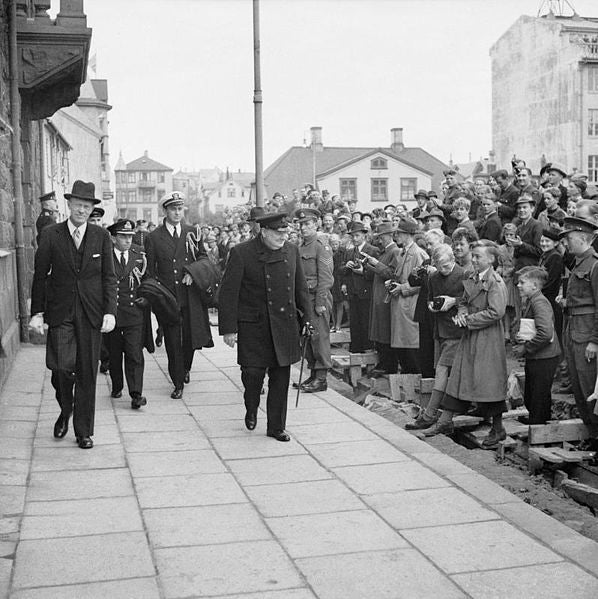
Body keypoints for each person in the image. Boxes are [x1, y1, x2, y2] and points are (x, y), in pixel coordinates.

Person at [29, 180, 117, 449]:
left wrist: (110, 312)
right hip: (61, 311)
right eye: (78, 204)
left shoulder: (101, 237)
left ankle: (83, 431)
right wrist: (37, 313)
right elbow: (41, 276)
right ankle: (65, 407)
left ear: (92, 209)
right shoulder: (51, 235)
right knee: (60, 368)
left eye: (87, 206)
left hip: (91, 314)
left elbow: (109, 278)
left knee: (87, 372)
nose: (82, 210)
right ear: (68, 205)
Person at [218, 211, 313, 442]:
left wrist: (307, 319)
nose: (283, 237)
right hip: (254, 325)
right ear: (264, 231)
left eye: (285, 232)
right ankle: (251, 406)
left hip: (284, 324)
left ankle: (276, 426)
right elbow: (229, 293)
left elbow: (300, 289)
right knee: (252, 374)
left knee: (280, 377)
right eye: (278, 233)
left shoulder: (291, 251)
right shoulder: (241, 253)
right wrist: (229, 328)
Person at [424, 241, 508, 449]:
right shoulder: (472, 277)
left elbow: (497, 312)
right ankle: (444, 422)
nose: (474, 259)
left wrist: (468, 319)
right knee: (459, 377)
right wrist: (462, 313)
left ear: (490, 259)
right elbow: (463, 300)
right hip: (470, 336)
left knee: (488, 382)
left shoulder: (495, 282)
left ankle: (498, 428)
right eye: (474, 256)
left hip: (487, 338)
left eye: (478, 256)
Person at [145, 191, 213, 399]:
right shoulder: (154, 237)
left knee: (191, 339)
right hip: (168, 298)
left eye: (180, 208)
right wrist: (156, 296)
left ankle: (185, 369)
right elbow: (150, 271)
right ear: (165, 211)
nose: (177, 213)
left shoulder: (192, 232)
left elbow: (203, 258)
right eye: (173, 209)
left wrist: (193, 273)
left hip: (190, 296)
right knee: (173, 341)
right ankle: (177, 382)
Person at [406, 244, 467, 430]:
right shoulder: (433, 277)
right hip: (439, 331)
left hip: (456, 332)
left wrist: (453, 302)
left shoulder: (463, 275)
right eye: (440, 268)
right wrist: (433, 306)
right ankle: (441, 416)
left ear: (454, 261)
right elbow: (429, 299)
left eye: (447, 267)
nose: (443, 270)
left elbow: (471, 301)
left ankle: (430, 414)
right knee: (447, 373)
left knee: (442, 372)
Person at [560, 216, 598, 450]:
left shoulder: (594, 265)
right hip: (574, 331)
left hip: (587, 337)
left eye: (570, 238)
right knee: (578, 388)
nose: (566, 243)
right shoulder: (578, 264)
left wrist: (595, 341)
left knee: (589, 389)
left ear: (583, 238)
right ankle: (593, 437)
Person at [105, 219, 150, 410]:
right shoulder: (105, 255)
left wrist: (147, 299)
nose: (127, 240)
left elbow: (148, 279)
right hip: (112, 313)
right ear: (114, 237)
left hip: (134, 313)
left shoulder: (139, 254)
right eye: (123, 236)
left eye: (130, 236)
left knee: (134, 353)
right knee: (114, 354)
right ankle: (117, 385)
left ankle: (136, 394)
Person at [512, 266, 561, 425]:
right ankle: (538, 429)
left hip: (544, 357)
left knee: (538, 398)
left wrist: (526, 348)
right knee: (534, 396)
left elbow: (546, 333)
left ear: (534, 285)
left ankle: (538, 432)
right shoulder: (533, 300)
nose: (518, 285)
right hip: (539, 356)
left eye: (522, 282)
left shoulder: (539, 302)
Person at [293, 208, 334, 392]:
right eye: (301, 224)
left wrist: (319, 303)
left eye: (307, 224)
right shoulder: (300, 246)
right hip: (304, 299)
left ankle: (322, 378)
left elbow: (326, 278)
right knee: (307, 337)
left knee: (319, 338)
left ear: (316, 224)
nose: (303, 228)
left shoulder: (321, 246)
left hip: (317, 298)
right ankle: (313, 374)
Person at [388, 218, 428, 373]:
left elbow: (422, 282)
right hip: (402, 305)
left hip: (410, 304)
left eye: (399, 233)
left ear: (407, 234)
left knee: (411, 346)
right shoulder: (404, 252)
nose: (396, 236)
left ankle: (415, 381)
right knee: (403, 347)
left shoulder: (418, 253)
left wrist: (402, 288)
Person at [363, 221, 401, 374]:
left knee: (385, 332)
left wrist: (376, 263)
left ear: (390, 235)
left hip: (385, 298)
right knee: (379, 332)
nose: (379, 240)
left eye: (382, 237)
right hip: (379, 297)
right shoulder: (384, 251)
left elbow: (392, 274)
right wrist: (367, 265)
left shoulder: (394, 251)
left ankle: (388, 365)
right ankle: (383, 363)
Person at [341, 221, 378, 352]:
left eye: (357, 236)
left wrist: (363, 272)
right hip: (353, 292)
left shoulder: (372, 250)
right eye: (353, 236)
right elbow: (342, 271)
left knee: (366, 322)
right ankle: (355, 349)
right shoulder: (349, 252)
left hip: (366, 292)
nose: (355, 239)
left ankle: (367, 349)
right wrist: (347, 266)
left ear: (364, 235)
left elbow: (377, 272)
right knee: (354, 323)